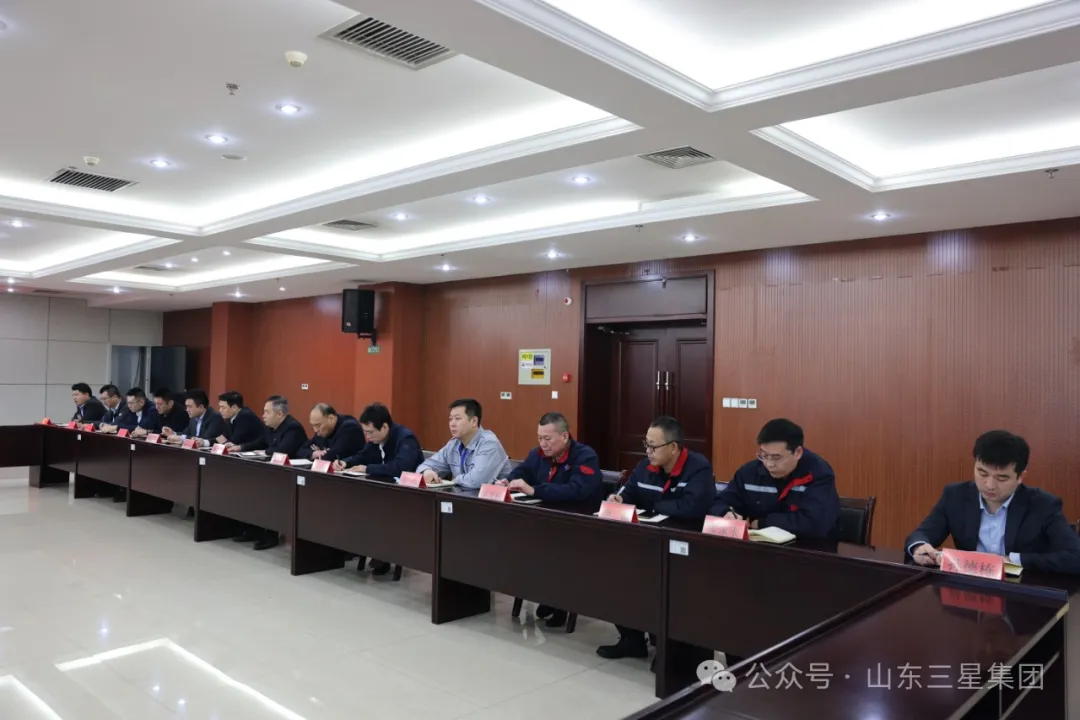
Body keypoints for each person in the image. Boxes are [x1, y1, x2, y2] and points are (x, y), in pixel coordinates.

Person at [597, 415, 715, 661]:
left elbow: (692, 508)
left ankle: (671, 648)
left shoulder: (698, 468)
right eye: (646, 445)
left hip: (685, 550)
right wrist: (618, 499)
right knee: (614, 574)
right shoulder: (644, 467)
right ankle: (631, 640)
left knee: (667, 590)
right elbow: (628, 493)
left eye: (653, 446)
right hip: (645, 542)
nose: (648, 451)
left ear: (673, 447)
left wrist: (653, 505)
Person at [906, 430, 1080, 575]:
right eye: (982, 473)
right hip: (968, 592)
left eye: (1002, 478)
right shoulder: (955, 496)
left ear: (1020, 476)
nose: (989, 485)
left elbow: (1075, 557)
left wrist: (1012, 560)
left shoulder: (1043, 505)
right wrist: (919, 547)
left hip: (1021, 594)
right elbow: (921, 534)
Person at [502, 411, 601, 628]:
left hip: (577, 525)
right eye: (540, 438)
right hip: (544, 520)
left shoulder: (585, 457)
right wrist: (507, 481)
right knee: (518, 542)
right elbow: (521, 472)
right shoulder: (537, 454)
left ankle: (560, 602)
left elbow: (577, 491)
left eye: (547, 438)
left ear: (564, 436)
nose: (543, 444)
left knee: (555, 548)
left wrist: (535, 490)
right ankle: (546, 595)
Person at [332, 402, 424, 575]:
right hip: (384, 492)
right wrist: (346, 462)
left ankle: (381, 553)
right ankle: (357, 547)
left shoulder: (405, 439)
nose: (367, 437)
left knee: (377, 509)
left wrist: (368, 468)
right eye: (365, 432)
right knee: (352, 502)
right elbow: (363, 455)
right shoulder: (376, 439)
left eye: (370, 432)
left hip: (408, 496)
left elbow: (400, 467)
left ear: (385, 427)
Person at [710, 418, 840, 540]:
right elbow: (720, 502)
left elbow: (815, 524)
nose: (769, 464)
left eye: (776, 458)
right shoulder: (749, 472)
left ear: (798, 453)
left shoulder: (819, 474)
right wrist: (724, 512)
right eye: (764, 455)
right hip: (758, 547)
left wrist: (761, 523)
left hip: (809, 549)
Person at [231, 396, 308, 551]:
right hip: (272, 472)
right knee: (247, 486)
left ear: (279, 414)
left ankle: (270, 534)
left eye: (267, 412)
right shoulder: (270, 426)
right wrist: (240, 447)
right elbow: (260, 442)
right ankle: (253, 529)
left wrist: (264, 451)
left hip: (290, 477)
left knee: (267, 492)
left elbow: (282, 450)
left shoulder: (293, 428)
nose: (263, 415)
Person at [417, 398, 512, 488]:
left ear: (474, 421)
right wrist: (427, 472)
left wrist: (454, 480)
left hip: (492, 499)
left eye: (457, 418)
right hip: (464, 496)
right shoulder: (454, 443)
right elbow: (425, 466)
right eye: (450, 419)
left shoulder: (489, 443)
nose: (452, 423)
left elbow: (477, 481)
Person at [297, 403, 365, 462]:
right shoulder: (321, 431)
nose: (315, 430)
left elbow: (334, 455)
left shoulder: (350, 427)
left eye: (318, 425)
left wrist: (325, 453)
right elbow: (300, 451)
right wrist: (315, 453)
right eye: (313, 425)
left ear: (331, 419)